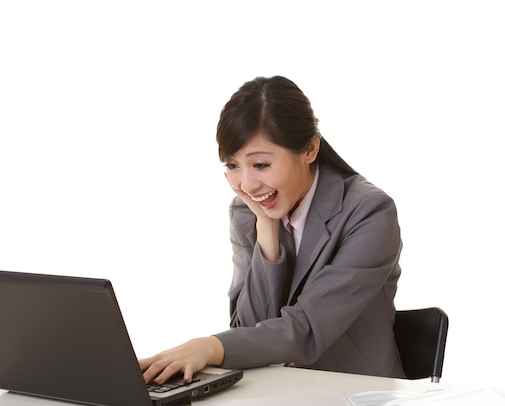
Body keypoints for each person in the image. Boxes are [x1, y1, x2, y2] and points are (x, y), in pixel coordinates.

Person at [139, 76, 405, 385]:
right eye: (233, 165)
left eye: (261, 165)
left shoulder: (369, 213)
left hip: (355, 396)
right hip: (274, 394)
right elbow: (247, 326)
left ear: (309, 149)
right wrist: (267, 230)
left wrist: (210, 346)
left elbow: (307, 329)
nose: (248, 185)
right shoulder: (247, 212)